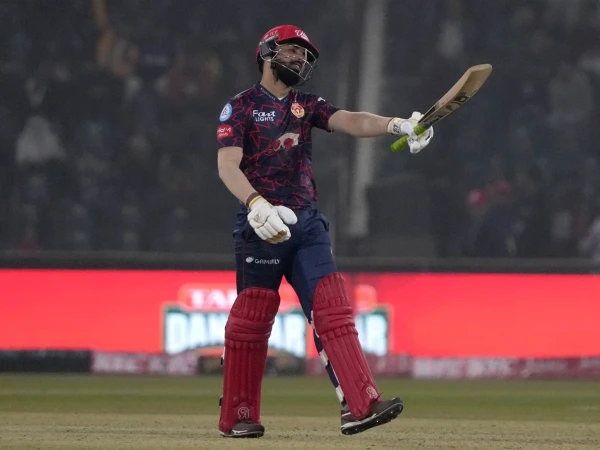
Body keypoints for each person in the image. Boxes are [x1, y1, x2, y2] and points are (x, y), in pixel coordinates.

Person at [216, 24, 433, 438]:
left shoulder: (307, 104)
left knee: (332, 308)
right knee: (251, 321)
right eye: (292, 51)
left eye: (305, 55)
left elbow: (350, 120)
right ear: (267, 52)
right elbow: (227, 165)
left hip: (307, 222)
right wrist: (256, 204)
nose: (300, 59)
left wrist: (397, 124)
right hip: (261, 225)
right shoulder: (240, 106)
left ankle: (361, 404)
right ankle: (238, 415)